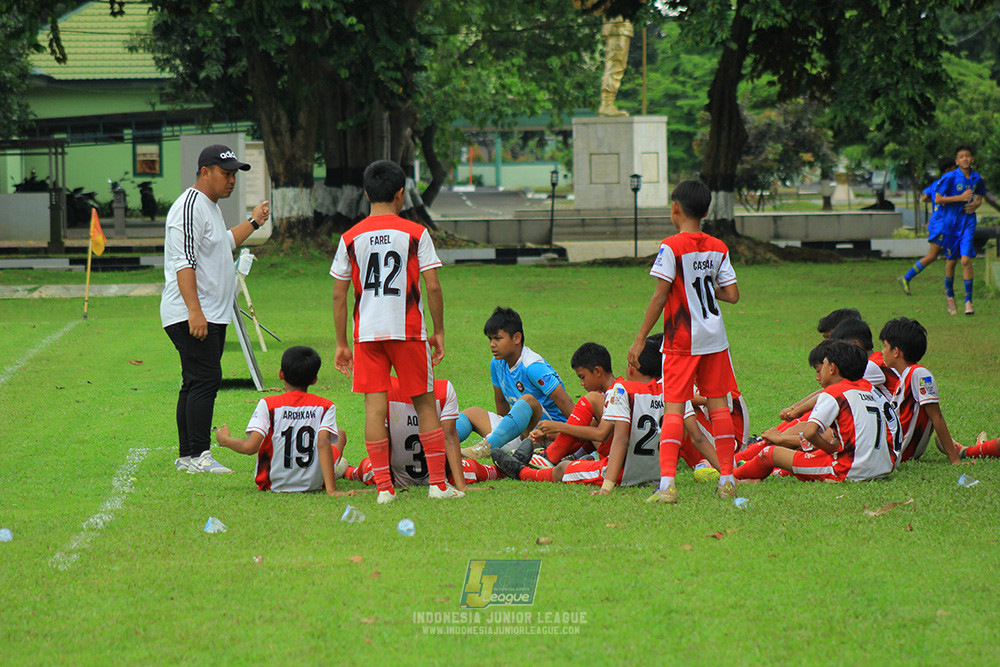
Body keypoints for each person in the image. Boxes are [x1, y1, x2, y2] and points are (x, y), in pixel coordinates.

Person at [330, 159, 462, 504]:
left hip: (368, 335)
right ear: (401, 194)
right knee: (425, 404)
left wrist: (342, 343)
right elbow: (432, 287)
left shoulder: (349, 237)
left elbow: (338, 294)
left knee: (374, 409)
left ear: (365, 193)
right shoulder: (416, 234)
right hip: (408, 332)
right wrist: (440, 330)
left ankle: (385, 490)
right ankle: (437, 485)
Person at [627, 179, 740, 503]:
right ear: (706, 211)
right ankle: (728, 480)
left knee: (675, 408)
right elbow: (731, 294)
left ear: (675, 208)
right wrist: (702, 284)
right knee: (719, 406)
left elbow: (661, 296)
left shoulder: (672, 247)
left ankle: (667, 487)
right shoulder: (718, 246)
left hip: (682, 339)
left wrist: (639, 340)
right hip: (715, 338)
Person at [161, 144, 270, 474]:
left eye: (235, 174)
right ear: (205, 172)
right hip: (195, 313)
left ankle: (187, 456)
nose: (232, 180)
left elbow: (224, 243)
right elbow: (184, 261)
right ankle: (199, 456)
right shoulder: (190, 206)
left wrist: (253, 221)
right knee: (206, 379)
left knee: (194, 381)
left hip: (207, 312)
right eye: (226, 174)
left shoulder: (208, 206)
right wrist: (195, 310)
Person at [735, 340, 897, 482]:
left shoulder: (834, 393)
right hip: (882, 467)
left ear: (832, 368)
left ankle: (733, 476)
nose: (817, 375)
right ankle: (749, 468)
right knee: (812, 454)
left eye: (822, 367)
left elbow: (810, 433)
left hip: (851, 469)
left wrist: (829, 449)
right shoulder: (867, 392)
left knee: (769, 454)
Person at [214, 346, 341, 493]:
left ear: (281, 374)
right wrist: (332, 491)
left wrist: (225, 440)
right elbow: (323, 443)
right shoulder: (326, 406)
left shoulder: (268, 405)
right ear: (314, 380)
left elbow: (250, 447)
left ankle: (346, 471)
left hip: (271, 484)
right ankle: (344, 472)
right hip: (314, 484)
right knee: (340, 435)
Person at [341, 376, 499, 490]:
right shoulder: (442, 389)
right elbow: (450, 437)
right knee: (472, 468)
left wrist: (385, 485)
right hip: (433, 476)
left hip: (397, 477)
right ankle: (516, 470)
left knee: (367, 467)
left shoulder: (386, 389)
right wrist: (461, 486)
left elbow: (384, 441)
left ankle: (346, 470)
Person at [459, 307, 574, 459]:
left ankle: (485, 448)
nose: (492, 344)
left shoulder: (532, 366)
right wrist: (505, 434)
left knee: (527, 400)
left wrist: (577, 436)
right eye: (490, 339)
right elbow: (501, 405)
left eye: (498, 338)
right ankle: (436, 447)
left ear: (517, 338)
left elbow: (565, 401)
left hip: (548, 435)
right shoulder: (497, 363)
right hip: (521, 433)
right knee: (471, 413)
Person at [879, 317, 962, 464]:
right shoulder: (905, 375)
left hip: (895, 452)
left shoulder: (919, 374)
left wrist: (954, 459)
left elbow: (936, 416)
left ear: (896, 351)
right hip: (889, 447)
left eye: (885, 346)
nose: (882, 351)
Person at [528, 342, 621, 467]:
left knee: (560, 471)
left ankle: (550, 456)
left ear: (598, 371)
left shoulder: (617, 393)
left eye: (583, 377)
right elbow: (589, 433)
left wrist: (559, 426)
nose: (582, 383)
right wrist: (550, 435)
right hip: (612, 454)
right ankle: (553, 456)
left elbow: (600, 434)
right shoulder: (606, 392)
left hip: (617, 460)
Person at [935, 145, 984, 315]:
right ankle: (950, 297)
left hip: (968, 222)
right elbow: (938, 199)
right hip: (950, 224)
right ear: (957, 161)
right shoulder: (949, 177)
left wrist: (976, 204)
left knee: (965, 260)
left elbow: (979, 197)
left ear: (972, 159)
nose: (965, 159)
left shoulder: (977, 178)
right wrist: (959, 198)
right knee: (952, 261)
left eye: (967, 156)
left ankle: (968, 301)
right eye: (961, 156)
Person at [898, 158, 958, 297]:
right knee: (939, 256)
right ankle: (907, 278)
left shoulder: (936, 183)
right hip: (943, 224)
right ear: (949, 169)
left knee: (945, 256)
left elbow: (924, 197)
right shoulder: (951, 183)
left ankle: (946, 288)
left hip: (937, 223)